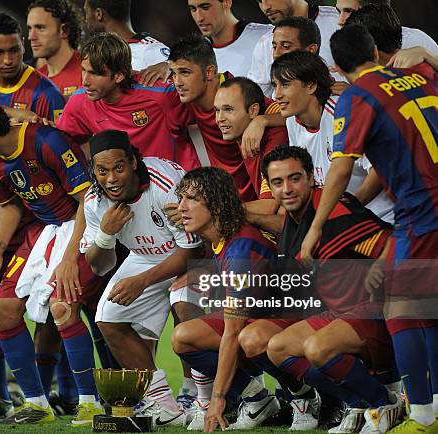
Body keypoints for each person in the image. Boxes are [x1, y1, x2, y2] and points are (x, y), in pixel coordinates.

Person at [301, 24, 438, 433]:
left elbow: (341, 167)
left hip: (421, 212)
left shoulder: (358, 97)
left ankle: (423, 417)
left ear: (337, 69)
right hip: (423, 213)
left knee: (403, 313)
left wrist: (316, 227)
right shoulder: (421, 76)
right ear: (377, 51)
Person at [261, 145, 402, 434]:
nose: (286, 189)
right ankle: (358, 404)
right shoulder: (292, 222)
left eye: (294, 178)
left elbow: (393, 240)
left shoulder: (333, 209)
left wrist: (381, 266)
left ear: (311, 178)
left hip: (376, 313)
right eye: (278, 182)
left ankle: (383, 404)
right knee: (277, 347)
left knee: (316, 347)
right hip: (340, 313)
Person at [0, 12, 67, 412]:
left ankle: (59, 392)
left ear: (23, 47)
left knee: (47, 306)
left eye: (14, 50)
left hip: (41, 213)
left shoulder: (44, 90)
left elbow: (60, 143)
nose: (7, 60)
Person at [173, 166, 317, 432]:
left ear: (216, 205)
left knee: (248, 337)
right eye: (182, 197)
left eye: (191, 199)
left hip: (298, 321)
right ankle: (257, 399)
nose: (181, 207)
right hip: (264, 319)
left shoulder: (241, 249)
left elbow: (232, 331)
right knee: (183, 336)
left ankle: (304, 395)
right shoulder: (224, 238)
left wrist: (217, 400)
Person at [81, 129, 204, 426]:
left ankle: (200, 397)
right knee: (108, 316)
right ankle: (163, 404)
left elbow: (191, 249)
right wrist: (106, 236)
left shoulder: (166, 187)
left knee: (183, 302)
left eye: (118, 168)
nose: (111, 179)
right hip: (144, 256)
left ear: (134, 162)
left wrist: (143, 281)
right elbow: (98, 265)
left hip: (196, 255)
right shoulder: (95, 201)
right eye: (102, 171)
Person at [271, 50, 394, 224]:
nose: (276, 95)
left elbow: (379, 169)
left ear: (311, 86)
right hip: (337, 220)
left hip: (381, 218)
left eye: (285, 85)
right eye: (274, 85)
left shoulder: (343, 112)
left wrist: (348, 209)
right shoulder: (292, 120)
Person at [56, 32, 202, 171]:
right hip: (129, 190)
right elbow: (57, 142)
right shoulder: (81, 100)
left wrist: (173, 66)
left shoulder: (161, 95)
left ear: (119, 75)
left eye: (95, 74)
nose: (85, 81)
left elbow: (209, 106)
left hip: (179, 186)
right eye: (83, 70)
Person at [168, 34, 285, 205]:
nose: (177, 82)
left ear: (209, 72)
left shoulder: (235, 91)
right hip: (230, 197)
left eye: (185, 72)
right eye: (173, 74)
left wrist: (262, 120)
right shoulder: (188, 96)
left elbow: (289, 113)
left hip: (260, 197)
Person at [0, 13, 65, 123]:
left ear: (22, 45)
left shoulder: (49, 95)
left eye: (14, 50)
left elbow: (64, 138)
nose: (7, 60)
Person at [249, 0, 341, 96]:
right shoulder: (265, 42)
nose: (265, 7)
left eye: (286, 46)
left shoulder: (340, 20)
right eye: (259, 1)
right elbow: (257, 101)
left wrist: (355, 90)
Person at [186, 0, 273, 75]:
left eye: (205, 7)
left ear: (227, 2)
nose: (199, 18)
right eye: (193, 9)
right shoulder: (192, 53)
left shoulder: (268, 37)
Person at [83, 0, 170, 71]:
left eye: (86, 12)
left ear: (99, 14)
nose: (85, 19)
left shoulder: (153, 51)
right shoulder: (96, 54)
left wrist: (169, 66)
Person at [28, 0, 84, 100]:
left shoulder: (88, 70)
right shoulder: (34, 79)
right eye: (30, 28)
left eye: (40, 28)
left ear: (64, 30)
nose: (31, 36)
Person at [335, 0, 438, 55]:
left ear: (372, 12)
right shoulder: (342, 44)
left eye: (349, 11)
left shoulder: (415, 40)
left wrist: (424, 54)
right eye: (339, 12)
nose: (340, 21)